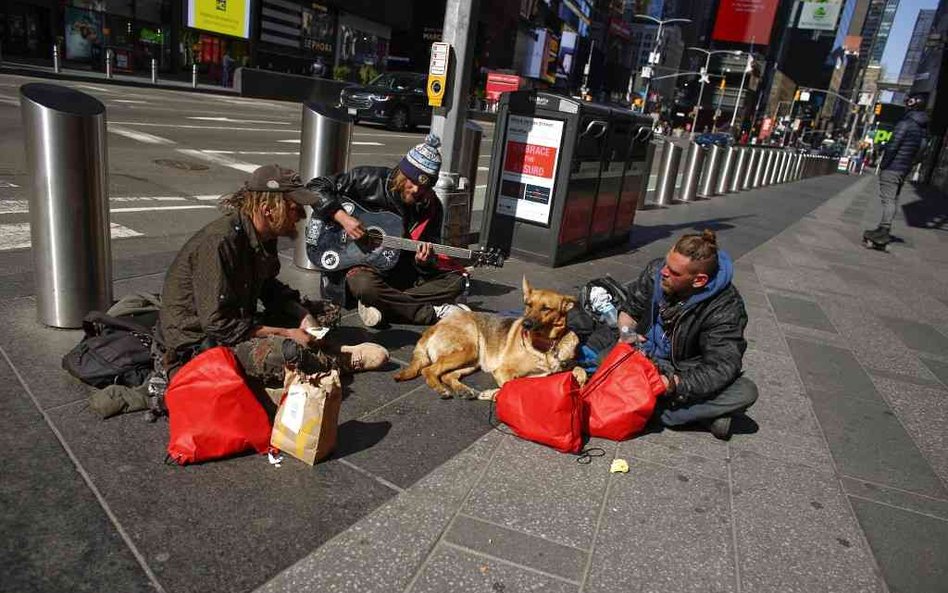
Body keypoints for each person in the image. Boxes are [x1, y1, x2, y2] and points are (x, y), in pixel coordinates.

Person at [156, 164, 389, 387]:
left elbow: (269, 288)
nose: (300, 215)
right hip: (201, 344)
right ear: (268, 209)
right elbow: (219, 326)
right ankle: (334, 361)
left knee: (325, 313)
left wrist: (303, 316)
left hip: (238, 320)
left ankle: (313, 352)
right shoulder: (219, 243)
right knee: (286, 353)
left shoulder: (263, 235)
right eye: (294, 208)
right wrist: (286, 332)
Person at [569, 230, 757, 440]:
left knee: (745, 391)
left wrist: (672, 384)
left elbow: (722, 366)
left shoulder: (726, 307)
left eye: (674, 272)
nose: (664, 272)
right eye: (667, 264)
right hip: (642, 357)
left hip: (682, 371)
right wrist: (626, 332)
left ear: (699, 280)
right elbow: (630, 310)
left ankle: (653, 410)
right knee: (603, 360)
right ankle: (682, 414)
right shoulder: (656, 271)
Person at [305, 133, 468, 327]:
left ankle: (382, 305)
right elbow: (315, 187)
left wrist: (423, 262)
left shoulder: (431, 206)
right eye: (412, 181)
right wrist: (344, 218)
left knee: (456, 282)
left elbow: (427, 255)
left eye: (423, 187)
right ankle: (430, 313)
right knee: (364, 286)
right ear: (402, 172)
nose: (416, 190)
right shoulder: (370, 179)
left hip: (397, 270)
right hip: (357, 267)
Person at [864, 95, 929, 246]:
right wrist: (910, 165)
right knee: (892, 199)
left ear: (912, 105)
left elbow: (893, 145)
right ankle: (882, 228)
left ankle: (883, 231)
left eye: (908, 102)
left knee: (888, 200)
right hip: (904, 169)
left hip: (893, 167)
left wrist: (885, 164)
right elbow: (922, 150)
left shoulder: (905, 124)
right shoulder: (922, 128)